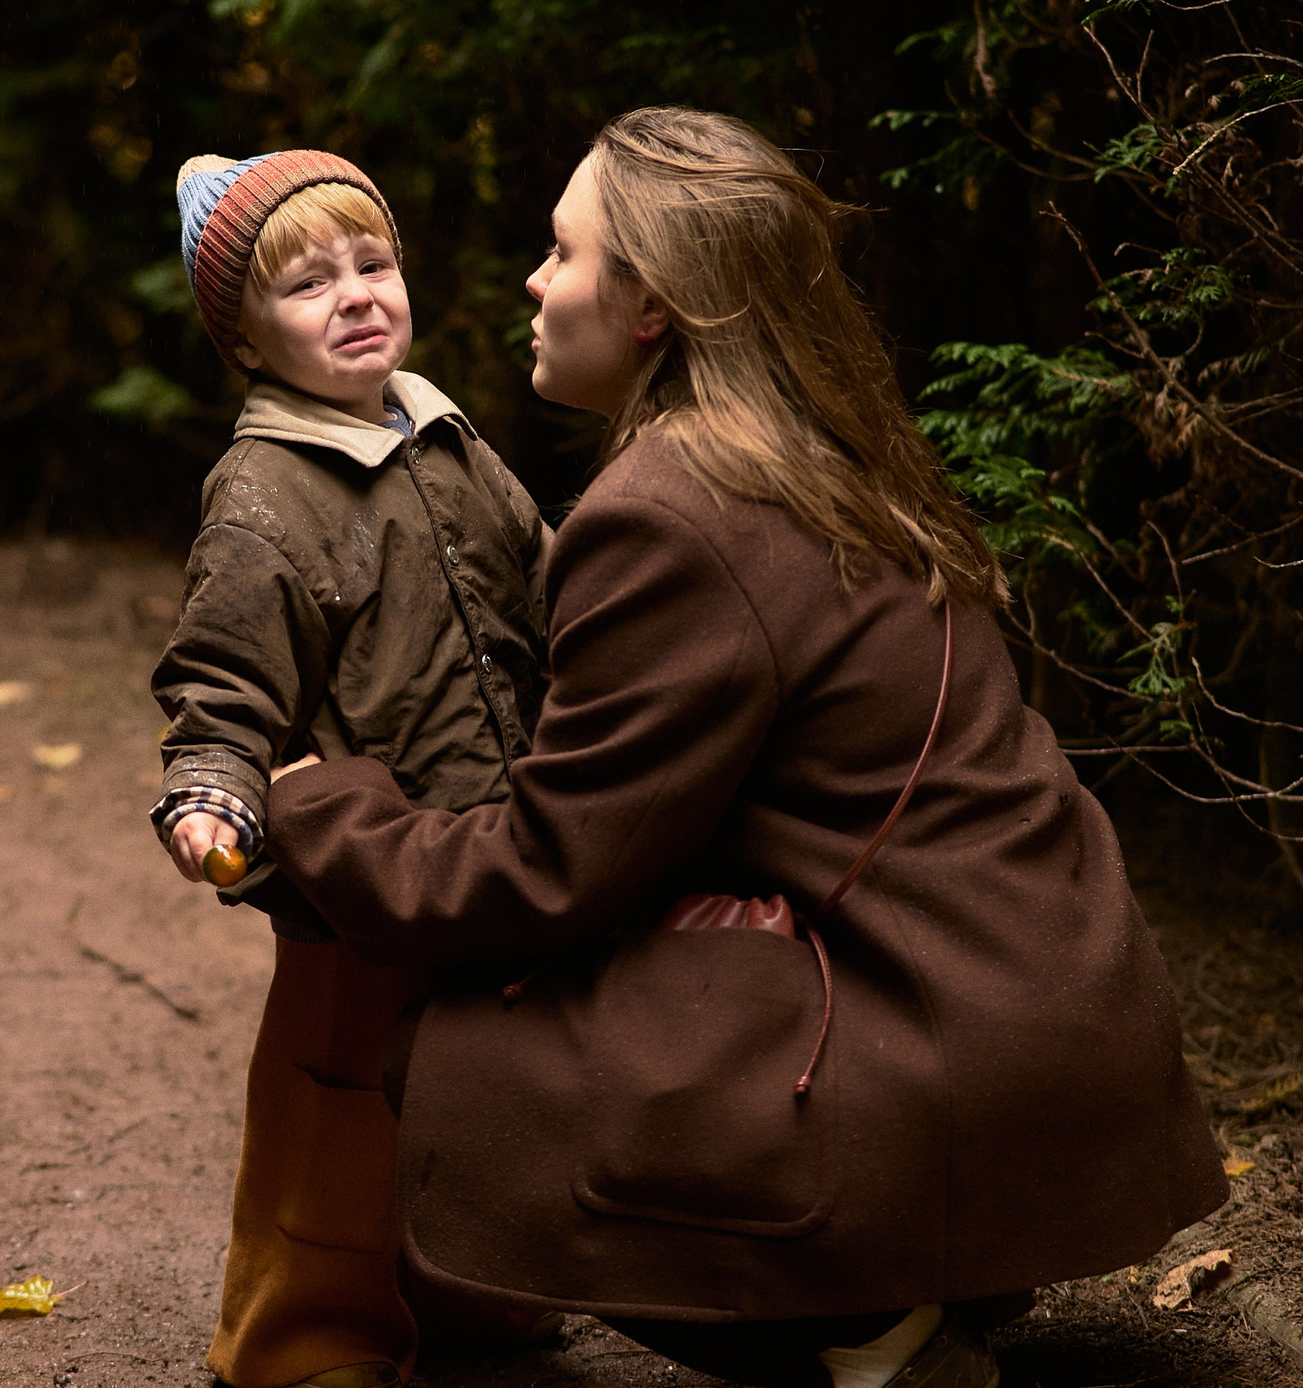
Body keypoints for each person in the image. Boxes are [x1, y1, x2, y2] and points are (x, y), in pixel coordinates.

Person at [261, 108, 1229, 1388]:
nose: (535, 285)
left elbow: (547, 873)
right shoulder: (832, 449)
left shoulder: (668, 515)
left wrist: (327, 808)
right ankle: (936, 1256)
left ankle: (855, 1325)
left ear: (651, 304)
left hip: (944, 1025)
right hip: (1048, 1004)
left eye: (562, 253)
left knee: (455, 1055)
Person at [149, 151, 555, 1388]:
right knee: (338, 1097)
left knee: (486, 1082)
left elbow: (546, 575)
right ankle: (304, 1333)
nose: (357, 295)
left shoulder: (445, 432)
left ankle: (476, 1298)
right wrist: (213, 786)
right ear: (246, 340)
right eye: (308, 284)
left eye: (372, 264)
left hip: (494, 839)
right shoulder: (261, 493)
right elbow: (222, 678)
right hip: (364, 869)